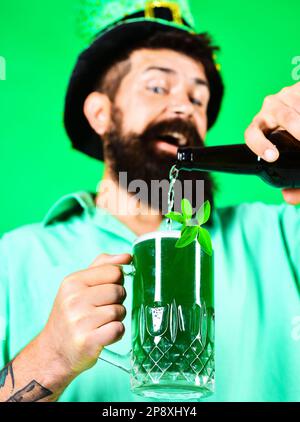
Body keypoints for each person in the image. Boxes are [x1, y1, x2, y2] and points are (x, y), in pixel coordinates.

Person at [0, 0, 300, 402]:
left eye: (199, 99)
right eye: (158, 87)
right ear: (100, 114)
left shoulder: (281, 236)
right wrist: (50, 356)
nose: (184, 108)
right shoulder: (14, 259)